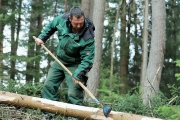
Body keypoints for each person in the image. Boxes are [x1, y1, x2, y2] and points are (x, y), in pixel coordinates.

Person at [34, 6, 95, 119]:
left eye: (81, 23)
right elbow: (51, 25)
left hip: (75, 65)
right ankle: (49, 114)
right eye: (76, 23)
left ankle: (74, 118)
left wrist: (79, 73)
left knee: (73, 93)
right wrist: (42, 37)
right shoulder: (62, 19)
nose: (78, 26)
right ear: (70, 19)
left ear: (83, 19)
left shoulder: (88, 35)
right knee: (48, 86)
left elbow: (88, 59)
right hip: (59, 60)